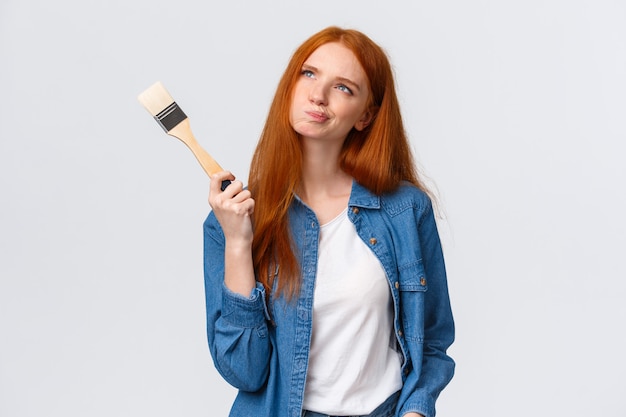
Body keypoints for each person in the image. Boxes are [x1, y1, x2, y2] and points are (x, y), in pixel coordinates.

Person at [203, 26, 454, 417]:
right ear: (290, 85)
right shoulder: (232, 219)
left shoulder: (406, 210)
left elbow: (432, 341)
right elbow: (245, 373)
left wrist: (416, 411)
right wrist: (238, 241)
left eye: (343, 88)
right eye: (309, 74)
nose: (318, 95)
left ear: (366, 115)